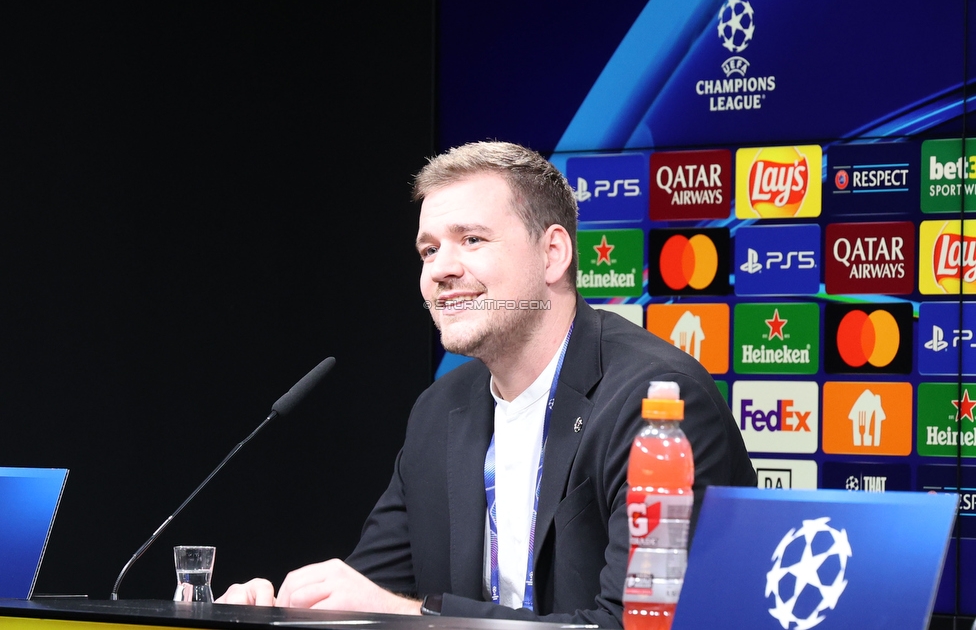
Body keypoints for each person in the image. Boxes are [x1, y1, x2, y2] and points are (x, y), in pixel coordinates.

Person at [217, 141, 757, 625]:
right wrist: (278, 613)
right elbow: (369, 599)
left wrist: (420, 615)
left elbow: (634, 628)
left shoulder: (656, 403)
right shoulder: (440, 412)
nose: (439, 270)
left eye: (471, 240)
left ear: (553, 254)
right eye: (428, 250)